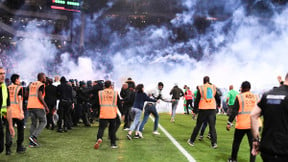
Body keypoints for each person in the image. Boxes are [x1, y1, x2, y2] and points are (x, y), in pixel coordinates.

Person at [251, 73, 288, 162]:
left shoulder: (267, 94)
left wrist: (256, 140)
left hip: (267, 150)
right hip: (284, 151)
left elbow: (253, 115)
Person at [226, 81, 257, 162]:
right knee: (253, 145)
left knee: (236, 143)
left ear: (242, 88)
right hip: (253, 125)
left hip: (242, 124)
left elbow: (234, 111)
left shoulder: (239, 97)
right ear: (250, 88)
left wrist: (229, 123)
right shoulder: (255, 97)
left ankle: (233, 159)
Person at [187, 76, 220, 148]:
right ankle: (214, 144)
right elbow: (218, 97)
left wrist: (195, 110)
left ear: (203, 81)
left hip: (203, 109)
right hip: (212, 109)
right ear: (209, 81)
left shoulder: (201, 87)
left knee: (198, 125)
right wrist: (219, 105)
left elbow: (197, 100)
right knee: (212, 127)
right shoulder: (213, 87)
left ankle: (191, 141)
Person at [94, 80, 122, 149]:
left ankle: (99, 138)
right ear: (110, 86)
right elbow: (119, 104)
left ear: (104, 86)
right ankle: (113, 144)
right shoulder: (115, 93)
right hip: (112, 113)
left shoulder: (100, 93)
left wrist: (94, 109)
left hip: (103, 112)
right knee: (112, 129)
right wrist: (122, 112)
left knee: (101, 128)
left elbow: (96, 102)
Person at [5, 74, 26, 155]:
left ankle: (8, 149)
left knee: (8, 130)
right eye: (19, 79)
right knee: (20, 130)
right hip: (17, 111)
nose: (20, 80)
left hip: (9, 112)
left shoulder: (8, 87)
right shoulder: (19, 88)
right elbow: (20, 100)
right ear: (16, 80)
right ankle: (19, 147)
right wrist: (21, 111)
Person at [27, 72, 49, 147]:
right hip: (38, 106)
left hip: (30, 106)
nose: (45, 79)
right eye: (44, 77)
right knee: (44, 121)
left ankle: (31, 143)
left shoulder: (31, 84)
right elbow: (40, 96)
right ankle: (33, 136)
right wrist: (46, 106)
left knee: (33, 123)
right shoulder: (41, 85)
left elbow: (27, 94)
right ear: (41, 78)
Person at [0, 67, 15, 154]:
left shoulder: (5, 88)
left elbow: (8, 108)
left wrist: (10, 125)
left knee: (1, 147)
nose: (2, 76)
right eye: (0, 74)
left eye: (3, 73)